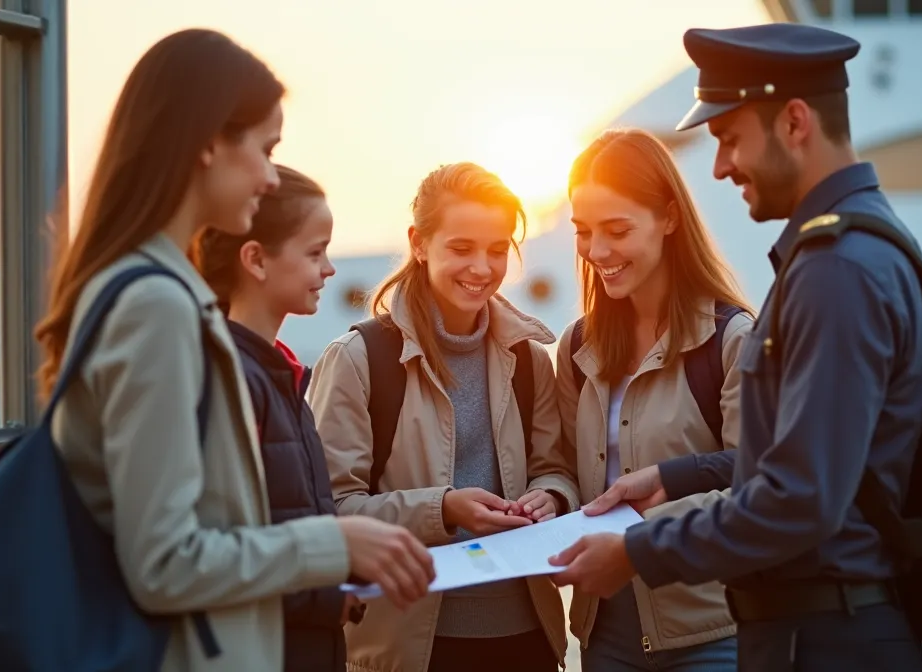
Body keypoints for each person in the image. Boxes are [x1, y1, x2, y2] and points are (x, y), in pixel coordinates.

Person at [34, 29, 433, 672]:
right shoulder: (157, 307)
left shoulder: (144, 290)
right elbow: (164, 564)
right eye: (265, 148)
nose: (271, 175)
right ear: (207, 145)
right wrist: (332, 542)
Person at [549, 23, 922, 671]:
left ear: (793, 122)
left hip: (827, 639)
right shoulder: (862, 245)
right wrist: (673, 477)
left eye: (730, 138)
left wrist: (637, 552)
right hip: (827, 627)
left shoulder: (836, 267)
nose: (722, 165)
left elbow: (799, 495)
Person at [308, 162, 579, 672]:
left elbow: (557, 466)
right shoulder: (356, 360)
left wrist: (553, 495)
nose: (482, 267)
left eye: (498, 250)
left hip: (528, 641)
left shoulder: (530, 358)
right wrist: (445, 509)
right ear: (418, 242)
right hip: (410, 649)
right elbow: (329, 513)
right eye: (461, 248)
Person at [554, 128, 753, 671]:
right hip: (606, 632)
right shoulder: (577, 346)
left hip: (713, 630)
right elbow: (565, 470)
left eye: (617, 230)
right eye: (583, 231)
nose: (597, 251)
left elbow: (759, 489)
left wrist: (640, 541)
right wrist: (546, 498)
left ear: (669, 217)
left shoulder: (731, 340)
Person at [189, 164, 366, 671]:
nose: (329, 269)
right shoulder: (236, 380)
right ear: (256, 260)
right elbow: (222, 549)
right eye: (314, 253)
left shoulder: (279, 375)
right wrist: (329, 595)